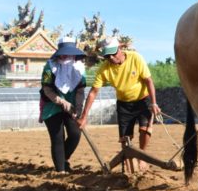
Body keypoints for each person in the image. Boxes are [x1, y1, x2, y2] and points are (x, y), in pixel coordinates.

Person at [77, 36, 161, 173]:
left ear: (120, 49)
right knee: (125, 139)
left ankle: (142, 157)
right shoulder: (104, 69)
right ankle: (129, 166)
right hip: (123, 104)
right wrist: (84, 116)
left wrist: (154, 103)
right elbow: (93, 93)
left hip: (142, 100)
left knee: (145, 130)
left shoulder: (136, 58)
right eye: (107, 55)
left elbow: (148, 81)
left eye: (113, 53)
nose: (111, 58)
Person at [40, 37, 87, 173]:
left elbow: (80, 90)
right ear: (59, 53)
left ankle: (63, 159)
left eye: (70, 53)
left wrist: (77, 110)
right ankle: (60, 170)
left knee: (75, 134)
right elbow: (47, 89)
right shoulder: (50, 67)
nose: (67, 56)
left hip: (72, 106)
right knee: (58, 138)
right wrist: (61, 102)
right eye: (64, 53)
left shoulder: (79, 68)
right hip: (52, 105)